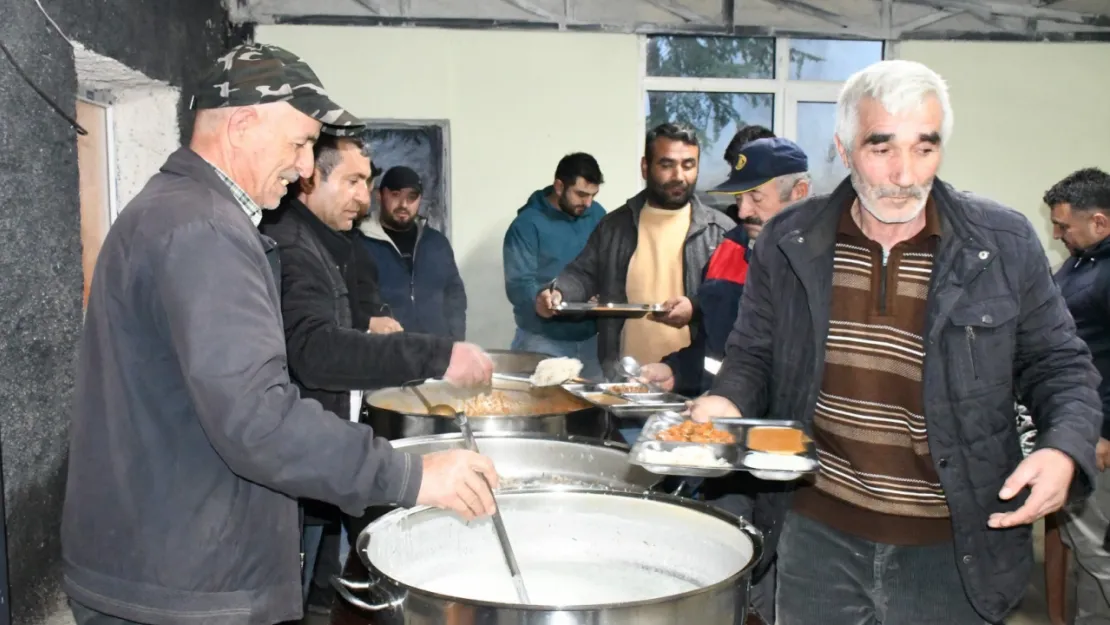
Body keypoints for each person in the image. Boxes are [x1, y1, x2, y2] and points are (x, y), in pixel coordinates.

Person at [61, 43, 498, 625]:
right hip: (181, 585)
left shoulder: (179, 211)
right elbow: (256, 419)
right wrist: (411, 475)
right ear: (242, 125)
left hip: (167, 561)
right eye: (297, 144)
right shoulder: (203, 231)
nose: (303, 167)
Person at [687, 59, 1102, 625]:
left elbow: (1061, 366)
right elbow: (753, 354)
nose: (906, 173)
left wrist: (1063, 450)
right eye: (882, 148)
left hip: (952, 547)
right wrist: (723, 401)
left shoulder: (1002, 244)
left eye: (925, 148)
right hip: (815, 535)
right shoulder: (792, 240)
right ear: (844, 147)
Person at [260, 134, 465, 612]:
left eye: (366, 183)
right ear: (310, 177)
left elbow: (351, 304)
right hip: (303, 432)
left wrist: (372, 320)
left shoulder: (336, 240)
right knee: (304, 561)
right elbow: (312, 348)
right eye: (353, 181)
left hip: (332, 422)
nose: (364, 196)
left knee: (319, 550)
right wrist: (430, 355)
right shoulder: (291, 244)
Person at [535, 123, 733, 442]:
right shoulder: (615, 226)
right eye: (667, 164)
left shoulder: (720, 232)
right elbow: (583, 274)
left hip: (694, 394)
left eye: (688, 165)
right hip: (627, 390)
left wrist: (695, 309)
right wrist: (556, 292)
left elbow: (733, 310)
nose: (679, 176)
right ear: (645, 166)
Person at [641, 137, 810, 396]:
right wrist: (676, 372)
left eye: (755, 197)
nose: (742, 212)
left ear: (799, 193)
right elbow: (711, 348)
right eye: (739, 198)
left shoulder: (827, 265)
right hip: (720, 418)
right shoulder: (727, 250)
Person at [1044, 167, 1110, 624]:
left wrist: (1104, 432)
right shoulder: (1081, 262)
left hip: (1100, 434)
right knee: (1082, 542)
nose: (1057, 233)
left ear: (1100, 222)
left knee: (1096, 548)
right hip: (1078, 419)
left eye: (1064, 225)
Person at [503, 152, 606, 379]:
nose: (588, 203)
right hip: (542, 341)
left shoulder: (597, 214)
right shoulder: (526, 225)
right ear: (559, 186)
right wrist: (539, 300)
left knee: (593, 412)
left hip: (591, 341)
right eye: (580, 194)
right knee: (538, 412)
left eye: (593, 195)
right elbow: (518, 284)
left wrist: (603, 290)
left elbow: (606, 263)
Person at [358, 166, 467, 340]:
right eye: (395, 194)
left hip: (437, 353)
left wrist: (455, 338)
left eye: (412, 197)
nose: (403, 204)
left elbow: (455, 295)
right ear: (379, 195)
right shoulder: (360, 243)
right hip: (385, 355)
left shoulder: (436, 243)